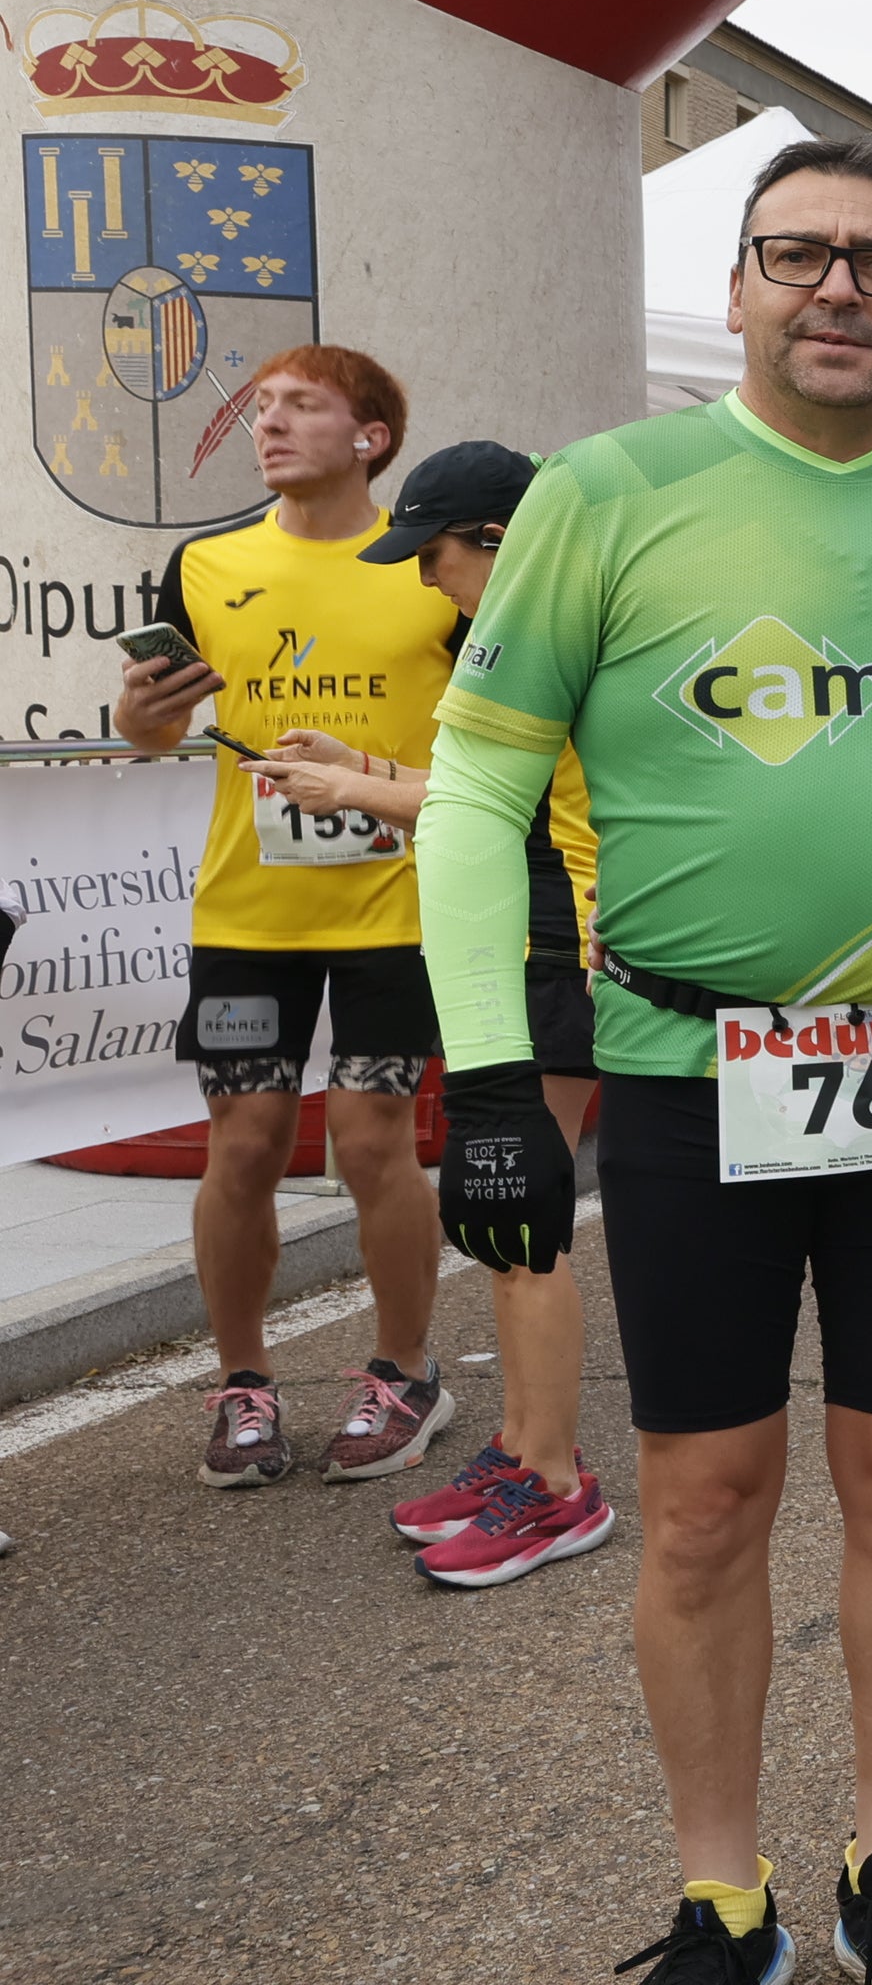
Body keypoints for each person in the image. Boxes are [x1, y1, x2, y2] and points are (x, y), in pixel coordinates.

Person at [416, 135, 872, 1985]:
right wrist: (493, 1082)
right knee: (701, 1500)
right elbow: (476, 787)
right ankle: (723, 1895)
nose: (837, 287)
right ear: (743, 284)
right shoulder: (608, 491)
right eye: (797, 254)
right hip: (690, 1074)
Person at [253, 440, 614, 1587]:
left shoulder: (554, 626)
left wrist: (351, 785)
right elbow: (481, 784)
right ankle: (520, 1444)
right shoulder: (526, 626)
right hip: (524, 945)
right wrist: (358, 761)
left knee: (525, 1223)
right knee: (504, 1223)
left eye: (434, 554)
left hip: (563, 949)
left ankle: (553, 1483)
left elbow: (474, 801)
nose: (422, 578)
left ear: (501, 541)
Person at [112, 345, 460, 1492]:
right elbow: (153, 733)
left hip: (392, 904)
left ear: (370, 435)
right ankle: (244, 1383)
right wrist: (140, 714)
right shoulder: (206, 563)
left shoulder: (428, 564)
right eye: (261, 407)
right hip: (249, 909)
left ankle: (405, 1372)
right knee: (248, 1140)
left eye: (301, 405)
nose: (268, 423)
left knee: (370, 1136)